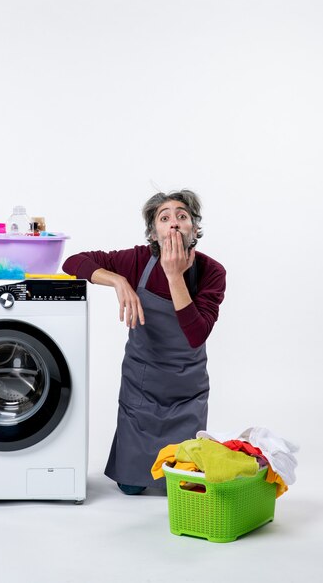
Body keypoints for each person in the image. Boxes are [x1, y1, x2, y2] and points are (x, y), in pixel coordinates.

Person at [62, 189, 226, 495]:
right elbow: (72, 262)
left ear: (194, 228)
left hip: (186, 392)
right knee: (130, 487)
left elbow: (196, 335)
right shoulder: (137, 260)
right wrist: (117, 280)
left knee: (183, 487)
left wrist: (174, 275)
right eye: (164, 218)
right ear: (154, 232)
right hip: (142, 389)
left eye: (182, 216)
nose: (174, 223)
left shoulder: (212, 272)